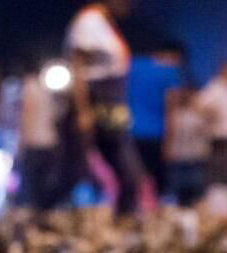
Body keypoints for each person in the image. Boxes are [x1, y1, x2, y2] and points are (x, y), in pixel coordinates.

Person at [65, 0, 146, 215]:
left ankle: (125, 217)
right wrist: (82, 111)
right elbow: (78, 69)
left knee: (127, 167)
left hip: (113, 101)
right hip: (99, 100)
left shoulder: (105, 24)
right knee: (85, 164)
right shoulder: (89, 21)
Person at [127, 41, 184, 197]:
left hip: (129, 130)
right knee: (158, 180)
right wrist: (170, 142)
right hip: (157, 133)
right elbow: (170, 108)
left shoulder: (132, 65)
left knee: (133, 176)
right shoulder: (169, 72)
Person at [17, 59, 61, 209]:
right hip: (50, 141)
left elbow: (27, 116)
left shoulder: (29, 87)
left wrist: (22, 142)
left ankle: (32, 213)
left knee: (31, 184)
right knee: (44, 183)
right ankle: (44, 212)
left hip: (34, 142)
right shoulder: (45, 88)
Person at [164, 86, 209, 206]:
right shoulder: (175, 115)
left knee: (195, 185)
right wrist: (168, 149)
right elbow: (170, 133)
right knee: (179, 185)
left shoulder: (196, 116)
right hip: (180, 155)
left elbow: (204, 134)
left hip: (194, 155)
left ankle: (193, 204)